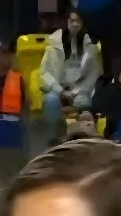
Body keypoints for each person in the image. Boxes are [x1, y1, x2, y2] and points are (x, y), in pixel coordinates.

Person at [39, 10, 100, 139]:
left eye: (78, 21)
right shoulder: (53, 46)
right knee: (50, 100)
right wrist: (59, 90)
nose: (75, 24)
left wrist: (77, 91)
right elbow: (45, 72)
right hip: (58, 87)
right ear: (66, 22)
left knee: (83, 102)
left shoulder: (90, 47)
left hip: (80, 89)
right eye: (72, 21)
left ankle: (81, 136)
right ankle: (55, 133)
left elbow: (93, 74)